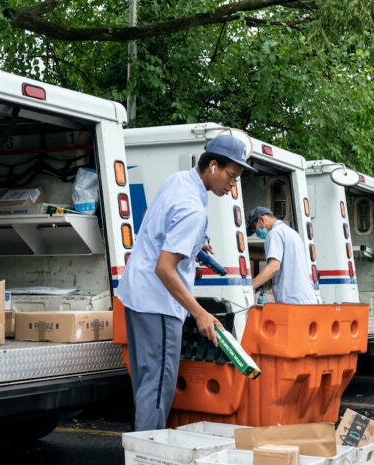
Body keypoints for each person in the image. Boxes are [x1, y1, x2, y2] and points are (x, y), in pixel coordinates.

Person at [116, 133, 257, 431]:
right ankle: (149, 464)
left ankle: (142, 456)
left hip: (135, 294)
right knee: (156, 389)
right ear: (213, 166)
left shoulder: (179, 180)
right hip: (159, 304)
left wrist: (196, 244)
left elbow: (164, 226)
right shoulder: (194, 210)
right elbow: (165, 269)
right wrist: (200, 312)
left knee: (145, 383)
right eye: (231, 176)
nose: (232, 186)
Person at [247, 206, 317, 304]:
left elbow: (274, 266)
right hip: (308, 299)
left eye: (255, 228)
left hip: (291, 302)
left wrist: (249, 287)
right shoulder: (293, 233)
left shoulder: (274, 233)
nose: (257, 233)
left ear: (261, 219)